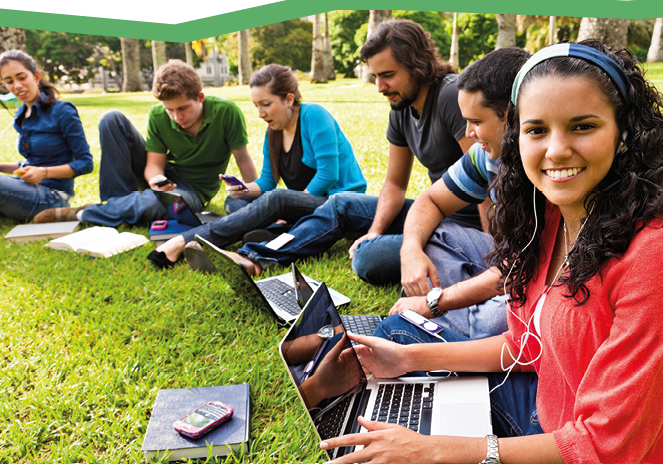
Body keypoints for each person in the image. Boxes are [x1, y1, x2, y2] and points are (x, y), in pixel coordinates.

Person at [319, 40, 663, 464]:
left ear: (625, 132)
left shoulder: (662, 250)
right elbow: (527, 347)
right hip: (542, 410)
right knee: (398, 333)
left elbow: (602, 451)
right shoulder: (549, 215)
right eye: (537, 130)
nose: (556, 150)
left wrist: (429, 448)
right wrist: (408, 359)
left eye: (582, 126)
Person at [228, 20, 481, 285]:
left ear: (417, 64)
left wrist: (416, 237)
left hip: (467, 228)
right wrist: (375, 230)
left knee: (368, 258)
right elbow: (395, 184)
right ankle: (256, 257)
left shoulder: (451, 96)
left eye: (388, 75)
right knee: (341, 205)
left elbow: (481, 179)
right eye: (375, 77)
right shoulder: (401, 107)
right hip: (433, 213)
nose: (380, 87)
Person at [147, 64, 366, 270]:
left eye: (266, 104)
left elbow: (328, 174)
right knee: (236, 201)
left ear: (289, 99)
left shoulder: (314, 115)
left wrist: (293, 204)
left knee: (278, 199)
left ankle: (183, 241)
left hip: (339, 201)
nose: (260, 113)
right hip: (308, 205)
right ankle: (274, 232)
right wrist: (245, 189)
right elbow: (267, 181)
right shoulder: (273, 132)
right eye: (256, 106)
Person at [378, 46, 530, 339]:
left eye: (476, 121)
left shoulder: (544, 166)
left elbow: (526, 265)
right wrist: (410, 251)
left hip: (530, 272)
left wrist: (435, 302)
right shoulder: (485, 156)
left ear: (510, 116)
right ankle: (463, 319)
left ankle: (453, 325)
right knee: (435, 234)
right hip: (506, 265)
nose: (469, 132)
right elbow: (430, 200)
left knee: (493, 322)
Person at [33, 59, 258, 226]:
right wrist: (156, 180)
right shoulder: (158, 115)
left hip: (193, 192)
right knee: (111, 119)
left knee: (155, 204)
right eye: (169, 109)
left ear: (199, 97)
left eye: (182, 109)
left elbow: (243, 159)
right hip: (166, 177)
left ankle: (89, 213)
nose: (176, 117)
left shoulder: (226, 112)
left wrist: (259, 195)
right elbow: (153, 165)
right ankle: (116, 204)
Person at [0, 50, 93, 222]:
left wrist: (43, 173)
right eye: (9, 81)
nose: (17, 86)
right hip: (26, 190)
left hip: (52, 198)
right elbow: (32, 164)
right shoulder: (21, 114)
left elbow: (86, 164)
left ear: (36, 76)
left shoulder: (62, 111)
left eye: (22, 77)